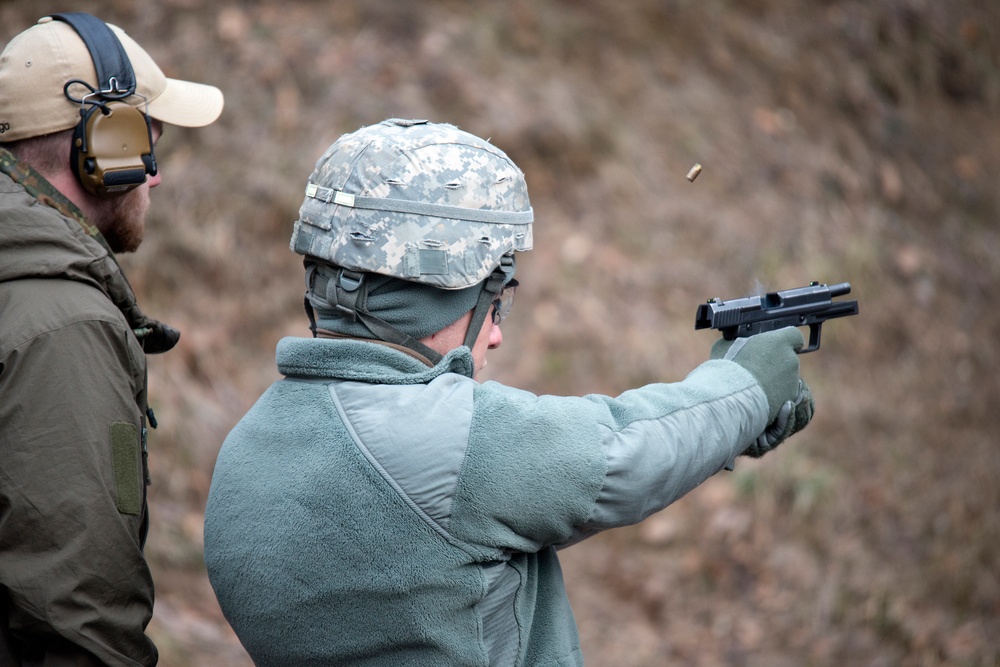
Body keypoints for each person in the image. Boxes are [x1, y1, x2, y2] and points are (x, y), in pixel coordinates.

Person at [203, 118, 814, 666]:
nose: (493, 335)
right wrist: (746, 384)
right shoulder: (447, 442)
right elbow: (626, 452)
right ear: (434, 299)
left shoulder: (245, 452)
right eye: (492, 305)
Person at [0, 12, 223, 666]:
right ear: (105, 144)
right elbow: (80, 615)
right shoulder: (63, 324)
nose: (155, 175)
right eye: (149, 141)